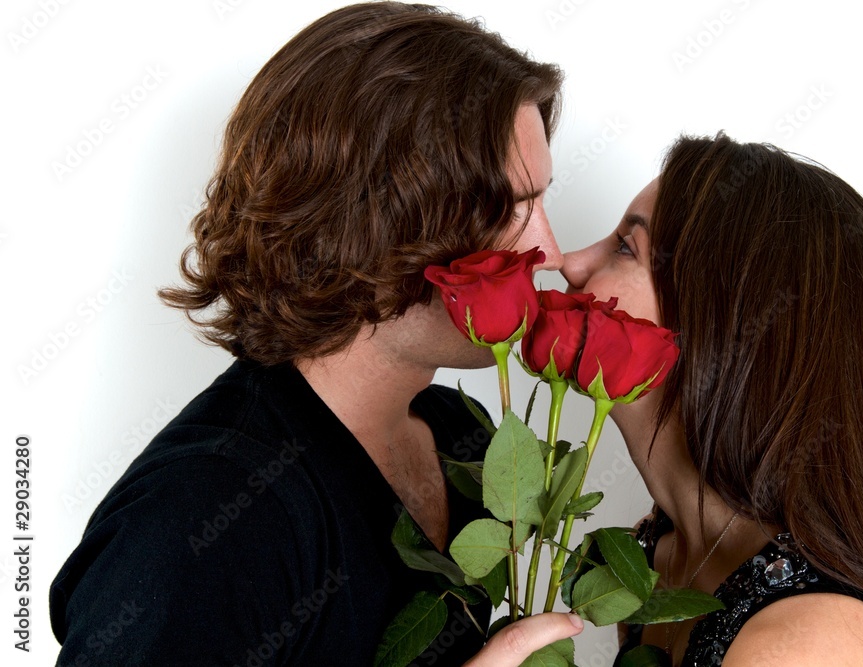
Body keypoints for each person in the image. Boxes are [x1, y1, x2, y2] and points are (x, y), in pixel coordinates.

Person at [49, 3, 582, 665]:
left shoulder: (460, 436)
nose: (550, 251)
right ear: (372, 223)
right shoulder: (207, 513)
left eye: (541, 201)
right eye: (510, 208)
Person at [561, 132, 863, 666]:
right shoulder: (656, 560)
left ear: (722, 325)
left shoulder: (799, 648)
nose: (571, 263)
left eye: (626, 247)